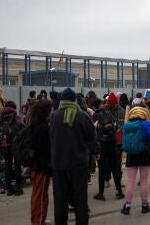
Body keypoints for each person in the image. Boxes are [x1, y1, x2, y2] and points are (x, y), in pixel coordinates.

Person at [49, 88, 97, 225]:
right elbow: (92, 137)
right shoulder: (82, 116)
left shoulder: (54, 117)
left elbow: (50, 138)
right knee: (80, 199)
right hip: (78, 163)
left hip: (58, 164)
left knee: (60, 200)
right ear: (75, 100)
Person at [120, 106, 150, 215]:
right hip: (144, 153)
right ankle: (144, 205)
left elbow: (124, 141)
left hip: (131, 154)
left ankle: (127, 206)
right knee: (144, 181)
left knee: (130, 181)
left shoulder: (127, 125)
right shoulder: (146, 124)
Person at [92, 95, 125, 200]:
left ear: (94, 107)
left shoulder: (95, 116)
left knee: (102, 170)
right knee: (115, 168)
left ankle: (101, 193)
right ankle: (119, 191)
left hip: (101, 146)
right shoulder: (110, 114)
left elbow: (93, 132)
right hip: (112, 144)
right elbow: (117, 127)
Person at [0, 101, 25, 196]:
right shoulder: (17, 117)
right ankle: (18, 189)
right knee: (18, 166)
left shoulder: (0, 118)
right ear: (14, 108)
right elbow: (23, 129)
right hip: (16, 146)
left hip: (5, 145)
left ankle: (9, 189)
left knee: (8, 166)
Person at [30, 99, 54, 225]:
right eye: (50, 110)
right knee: (39, 196)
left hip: (36, 165)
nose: (52, 112)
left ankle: (40, 219)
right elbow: (45, 150)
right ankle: (37, 221)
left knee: (40, 194)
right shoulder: (43, 128)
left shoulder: (35, 124)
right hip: (42, 167)